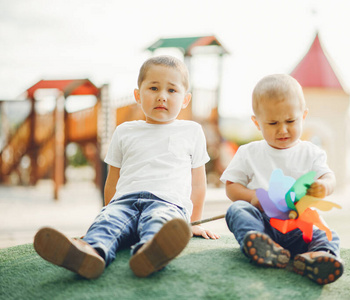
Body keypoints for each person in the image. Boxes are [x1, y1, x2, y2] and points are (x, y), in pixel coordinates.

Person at [34, 55, 219, 279]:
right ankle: (89, 253)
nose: (162, 96)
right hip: (124, 201)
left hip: (167, 203)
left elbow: (198, 182)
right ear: (138, 96)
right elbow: (112, 179)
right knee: (107, 223)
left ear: (185, 100)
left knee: (161, 223)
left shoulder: (191, 131)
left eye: (171, 90)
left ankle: (151, 253)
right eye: (153, 88)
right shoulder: (124, 131)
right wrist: (108, 209)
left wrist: (193, 222)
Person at [221, 74, 343, 285]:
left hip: (299, 226)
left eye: (290, 121)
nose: (282, 129)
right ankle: (262, 246)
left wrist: (324, 186)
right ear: (257, 123)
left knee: (328, 234)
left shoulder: (312, 153)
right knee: (236, 210)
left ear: (303, 116)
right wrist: (252, 197)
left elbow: (329, 177)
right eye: (272, 122)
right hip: (262, 224)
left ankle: (318, 257)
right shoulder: (249, 152)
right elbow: (231, 187)